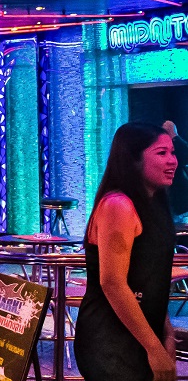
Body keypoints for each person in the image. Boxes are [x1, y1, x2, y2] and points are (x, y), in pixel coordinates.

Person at [75, 122, 177, 381]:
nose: (173, 161)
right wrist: (154, 348)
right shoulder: (117, 205)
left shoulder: (155, 205)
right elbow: (112, 283)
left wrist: (166, 331)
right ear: (133, 159)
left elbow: (152, 276)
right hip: (110, 337)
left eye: (172, 152)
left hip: (142, 332)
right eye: (161, 153)